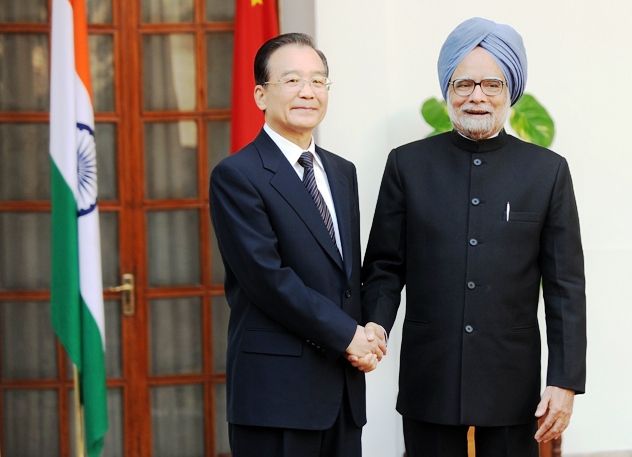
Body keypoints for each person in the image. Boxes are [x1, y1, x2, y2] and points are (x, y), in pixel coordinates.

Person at [361, 17, 586, 457]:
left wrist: (564, 381)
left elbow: (565, 288)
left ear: (510, 92)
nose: (477, 96)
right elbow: (385, 265)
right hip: (431, 376)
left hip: (512, 380)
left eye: (491, 84)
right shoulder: (407, 165)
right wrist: (375, 325)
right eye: (463, 83)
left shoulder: (547, 171)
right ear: (447, 89)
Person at [209, 33, 386, 457]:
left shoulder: (342, 173)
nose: (308, 92)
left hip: (342, 395)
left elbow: (347, 275)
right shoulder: (238, 175)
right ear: (260, 95)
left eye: (318, 81)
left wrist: (374, 329)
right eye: (291, 81)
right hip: (277, 397)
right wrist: (348, 335)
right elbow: (267, 279)